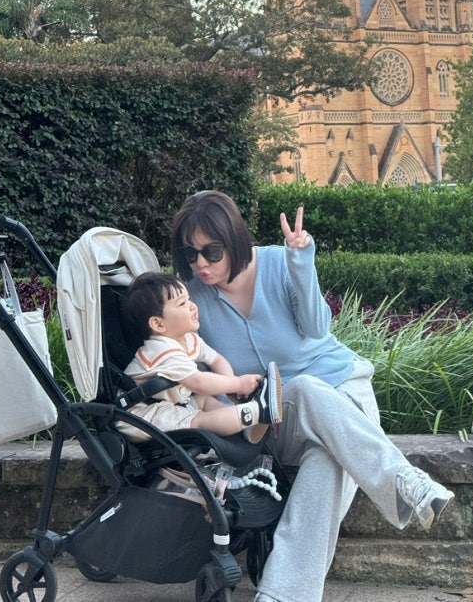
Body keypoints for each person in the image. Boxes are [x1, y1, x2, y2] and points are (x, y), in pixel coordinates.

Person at [171, 190, 455, 602]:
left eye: (211, 252)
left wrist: (301, 263)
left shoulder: (279, 262)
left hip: (341, 397)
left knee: (325, 457)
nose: (201, 264)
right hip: (270, 420)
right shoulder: (192, 300)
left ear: (233, 240)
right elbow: (186, 367)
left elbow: (317, 328)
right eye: (190, 253)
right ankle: (403, 481)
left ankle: (280, 595)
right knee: (300, 394)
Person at [121, 271, 282, 442]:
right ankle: (258, 411)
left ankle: (245, 425)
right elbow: (198, 382)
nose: (192, 306)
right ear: (158, 324)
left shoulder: (189, 339)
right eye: (182, 303)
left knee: (204, 400)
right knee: (199, 420)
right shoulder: (161, 350)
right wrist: (238, 383)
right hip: (140, 416)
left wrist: (231, 387)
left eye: (189, 299)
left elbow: (217, 360)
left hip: (169, 404)